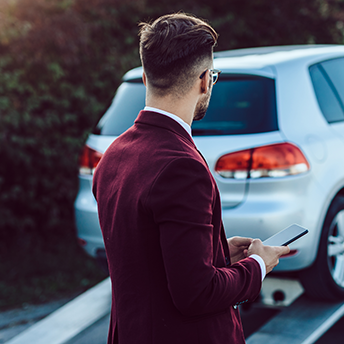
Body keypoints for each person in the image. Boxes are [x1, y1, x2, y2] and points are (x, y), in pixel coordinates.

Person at [92, 12, 290, 344]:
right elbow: (197, 293)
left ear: (145, 78)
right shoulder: (182, 168)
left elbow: (145, 256)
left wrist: (217, 253)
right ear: (204, 80)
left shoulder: (114, 154)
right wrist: (257, 266)